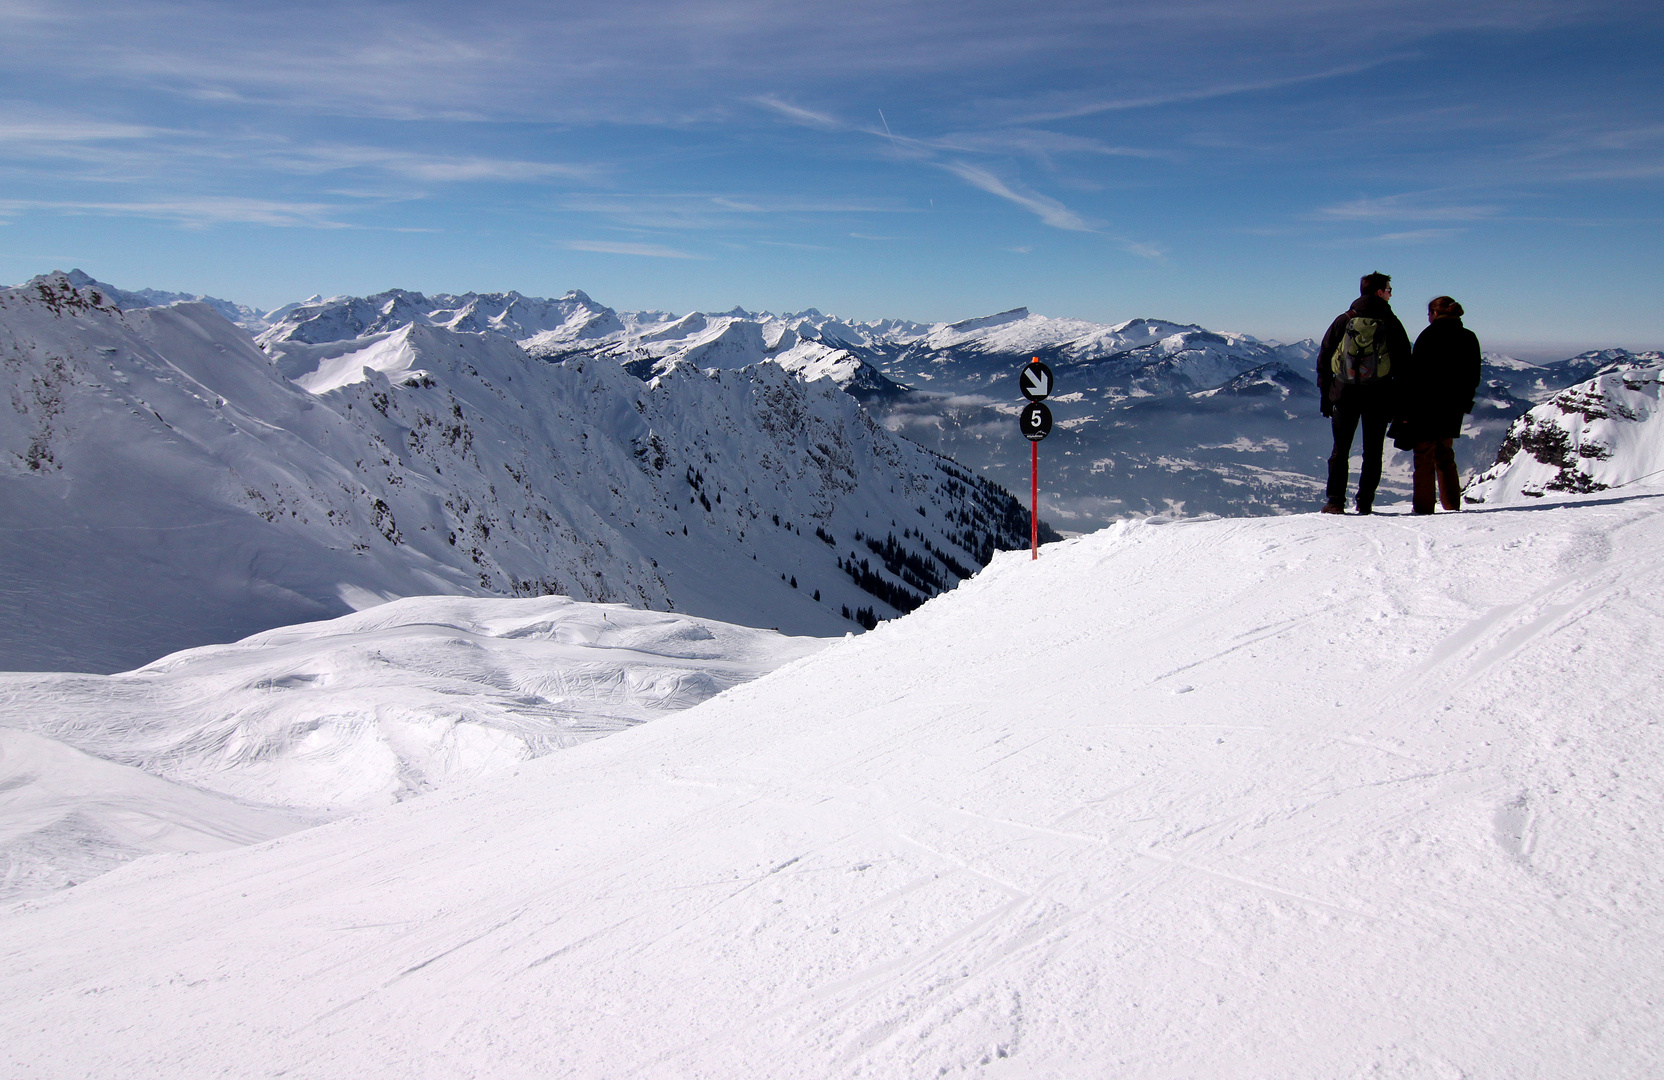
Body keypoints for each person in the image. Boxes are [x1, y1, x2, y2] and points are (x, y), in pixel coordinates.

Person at [1317, 271, 1413, 514]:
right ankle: (1365, 502)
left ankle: (1335, 501)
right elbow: (1404, 364)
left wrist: (1326, 395)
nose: (1391, 294)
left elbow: (1325, 357)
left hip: (1344, 394)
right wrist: (1400, 400)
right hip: (1379, 396)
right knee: (1373, 452)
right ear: (1379, 292)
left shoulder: (1344, 320)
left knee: (1340, 450)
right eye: (1389, 290)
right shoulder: (1391, 323)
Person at [1391, 296, 1482, 514]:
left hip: (1425, 406)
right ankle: (1451, 505)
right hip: (1453, 408)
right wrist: (1463, 403)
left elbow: (1415, 376)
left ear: (1434, 313)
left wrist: (1404, 408)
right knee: (1445, 455)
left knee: (1424, 457)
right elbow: (1473, 375)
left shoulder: (1428, 336)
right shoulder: (1469, 337)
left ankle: (1423, 509)